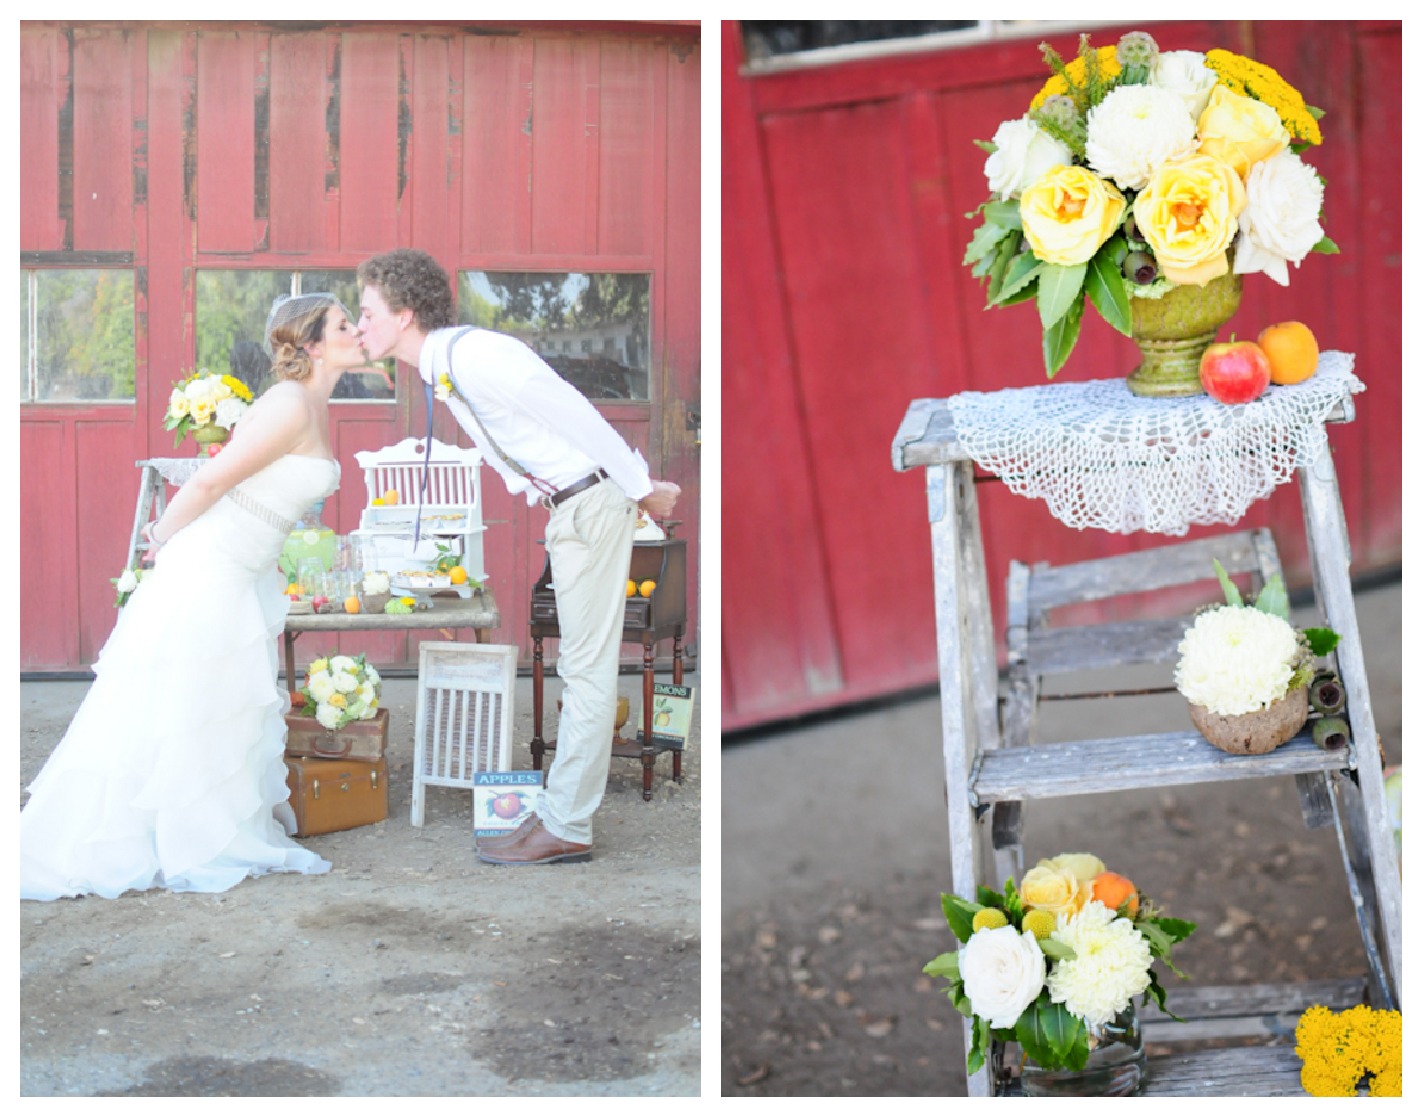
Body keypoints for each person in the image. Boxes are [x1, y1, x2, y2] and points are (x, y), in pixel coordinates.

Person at [20, 293, 365, 900]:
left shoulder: (313, 402)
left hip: (244, 571)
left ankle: (210, 829)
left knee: (216, 704)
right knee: (187, 704)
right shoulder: (290, 404)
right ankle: (172, 837)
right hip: (212, 567)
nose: (357, 330)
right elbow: (210, 480)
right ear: (313, 344)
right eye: (343, 324)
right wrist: (159, 535)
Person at [355, 249, 681, 866]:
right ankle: (560, 813)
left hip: (591, 503)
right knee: (579, 668)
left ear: (404, 314)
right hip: (572, 507)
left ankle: (567, 824)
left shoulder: (476, 355)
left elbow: (572, 409)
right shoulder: (444, 366)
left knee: (584, 671)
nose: (360, 325)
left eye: (368, 313)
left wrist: (640, 486)